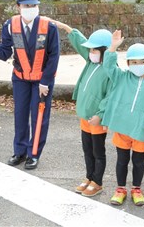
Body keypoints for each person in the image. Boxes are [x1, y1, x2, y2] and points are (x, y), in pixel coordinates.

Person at [0, 0, 60, 170]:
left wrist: (45, 82)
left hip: (41, 80)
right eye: (27, 5)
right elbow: (5, 53)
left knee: (39, 117)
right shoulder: (10, 25)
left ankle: (34, 154)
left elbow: (54, 56)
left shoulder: (48, 27)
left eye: (34, 5)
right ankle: (20, 151)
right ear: (18, 6)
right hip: (20, 78)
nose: (31, 8)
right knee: (20, 115)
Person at [102, 31, 144, 207]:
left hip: (142, 130)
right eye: (134, 62)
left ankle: (136, 189)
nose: (138, 65)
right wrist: (113, 48)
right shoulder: (121, 77)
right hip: (122, 129)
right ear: (128, 63)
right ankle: (120, 189)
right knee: (121, 160)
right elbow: (108, 66)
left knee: (138, 161)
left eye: (142, 61)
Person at [51, 21, 112, 197]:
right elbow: (80, 43)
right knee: (87, 150)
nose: (91, 52)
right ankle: (89, 177)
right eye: (90, 50)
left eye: (94, 50)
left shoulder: (110, 69)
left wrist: (100, 115)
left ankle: (97, 182)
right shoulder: (91, 62)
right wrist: (66, 28)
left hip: (97, 119)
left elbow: (110, 96)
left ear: (105, 51)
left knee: (98, 152)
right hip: (85, 116)